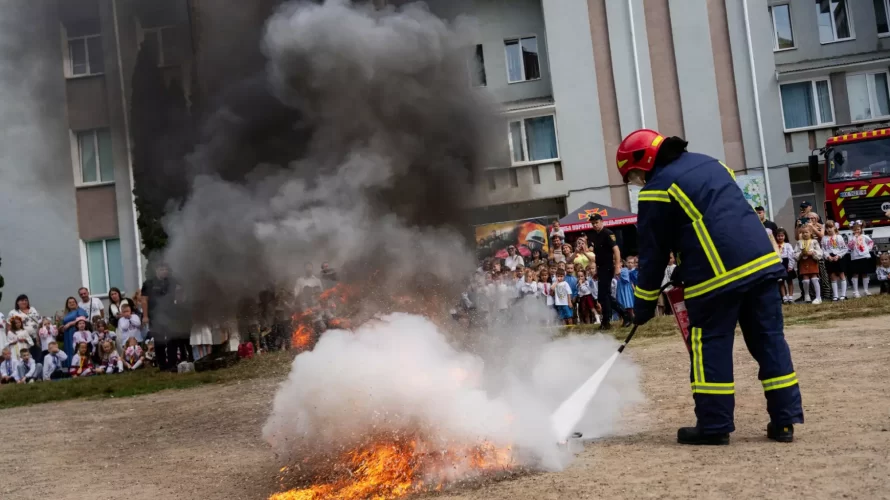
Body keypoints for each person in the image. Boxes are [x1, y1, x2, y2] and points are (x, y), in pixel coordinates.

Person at [618, 128, 803, 445]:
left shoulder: (656, 191)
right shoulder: (713, 164)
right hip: (761, 264)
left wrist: (644, 304)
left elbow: (652, 255)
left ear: (643, 161)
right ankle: (785, 422)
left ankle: (714, 426)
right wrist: (687, 264)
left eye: (633, 176)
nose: (637, 183)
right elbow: (714, 217)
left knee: (710, 346)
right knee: (770, 342)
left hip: (717, 277)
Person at [589, 213, 622, 330]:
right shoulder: (596, 235)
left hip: (608, 267)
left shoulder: (608, 233)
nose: (595, 225)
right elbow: (598, 256)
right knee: (604, 296)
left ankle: (606, 321)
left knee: (603, 295)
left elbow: (616, 250)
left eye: (596, 222)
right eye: (593, 223)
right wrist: (597, 270)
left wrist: (617, 266)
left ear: (601, 222)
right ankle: (624, 316)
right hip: (602, 268)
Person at [794, 226, 823, 304]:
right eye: (803, 233)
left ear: (811, 233)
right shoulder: (799, 242)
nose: (805, 234)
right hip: (803, 262)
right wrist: (800, 254)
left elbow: (819, 252)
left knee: (814, 278)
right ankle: (807, 295)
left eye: (806, 232)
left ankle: (818, 297)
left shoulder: (814, 241)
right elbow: (795, 253)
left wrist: (813, 252)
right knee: (805, 280)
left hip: (812, 261)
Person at [847, 221, 875, 298]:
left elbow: (871, 242)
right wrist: (854, 239)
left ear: (861, 229)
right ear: (852, 230)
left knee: (865, 273)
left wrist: (868, 249)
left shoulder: (864, 236)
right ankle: (855, 291)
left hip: (864, 256)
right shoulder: (851, 238)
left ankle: (866, 290)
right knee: (855, 273)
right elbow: (850, 247)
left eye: (858, 229)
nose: (857, 231)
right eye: (855, 230)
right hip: (855, 257)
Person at [821, 223, 848, 301]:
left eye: (831, 227)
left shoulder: (839, 237)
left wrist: (838, 256)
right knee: (832, 276)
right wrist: (827, 256)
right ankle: (835, 296)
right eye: (827, 228)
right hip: (830, 257)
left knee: (841, 275)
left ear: (835, 228)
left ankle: (843, 295)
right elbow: (823, 249)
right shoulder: (824, 238)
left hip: (839, 257)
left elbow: (844, 248)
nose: (829, 229)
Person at [775, 229, 796, 304]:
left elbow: (791, 255)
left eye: (782, 236)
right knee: (781, 281)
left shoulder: (787, 245)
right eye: (778, 236)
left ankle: (790, 297)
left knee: (789, 281)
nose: (780, 237)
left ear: (785, 236)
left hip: (786, 263)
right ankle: (784, 298)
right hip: (779, 264)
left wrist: (790, 266)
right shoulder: (775, 246)